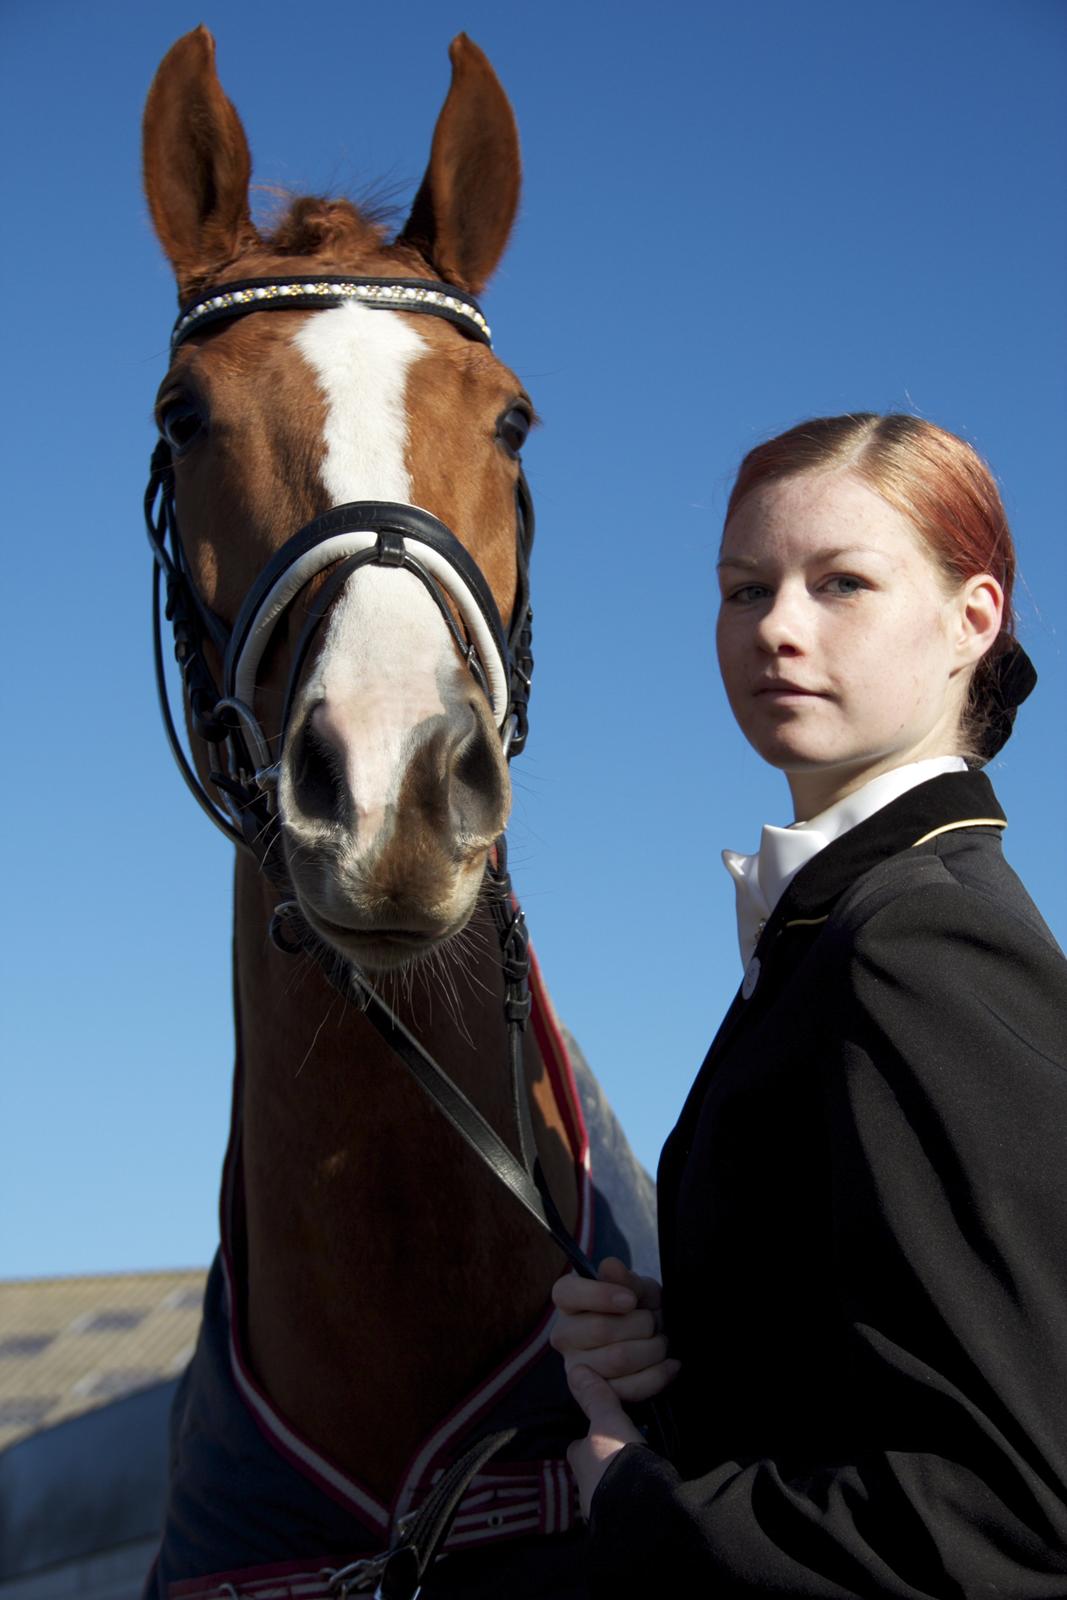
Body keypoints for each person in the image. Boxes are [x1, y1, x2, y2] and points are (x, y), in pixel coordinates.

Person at [551, 413, 1067, 1596]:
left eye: (840, 583)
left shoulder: (916, 940)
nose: (776, 627)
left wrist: (637, 1506)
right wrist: (688, 1342)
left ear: (971, 619)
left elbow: (1016, 1517)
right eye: (744, 589)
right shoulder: (834, 928)